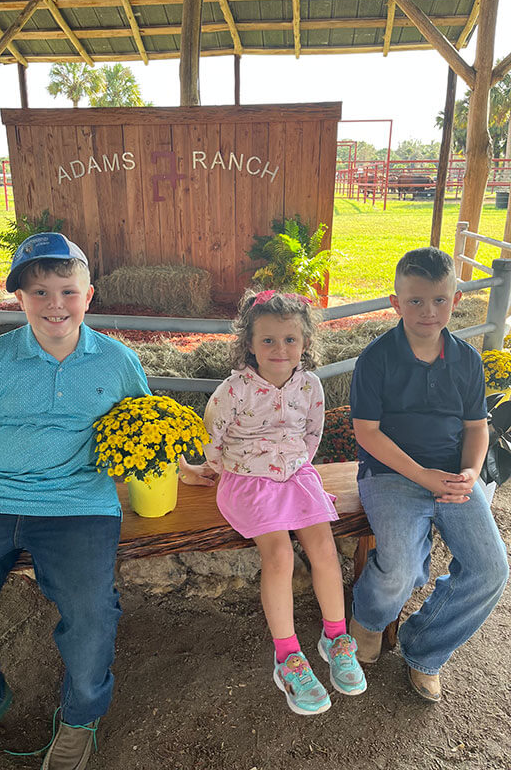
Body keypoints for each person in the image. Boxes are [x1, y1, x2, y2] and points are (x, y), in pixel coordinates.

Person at [0, 232, 151, 770]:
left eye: (67, 291)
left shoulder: (117, 361)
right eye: (39, 292)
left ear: (88, 296)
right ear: (19, 298)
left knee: (92, 612)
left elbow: (149, 426)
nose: (54, 304)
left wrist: (185, 467)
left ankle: (81, 715)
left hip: (80, 503)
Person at [180, 289, 367, 716]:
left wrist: (297, 468)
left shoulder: (310, 385)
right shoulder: (234, 390)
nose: (279, 349)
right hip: (248, 481)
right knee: (280, 555)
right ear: (249, 343)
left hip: (297, 477)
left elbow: (312, 435)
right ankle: (288, 658)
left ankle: (336, 638)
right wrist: (215, 469)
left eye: (290, 339)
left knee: (324, 549)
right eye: (268, 340)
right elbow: (212, 436)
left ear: (305, 343)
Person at [349, 247, 509, 702]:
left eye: (439, 300)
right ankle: (369, 620)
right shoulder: (376, 359)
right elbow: (367, 432)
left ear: (455, 300)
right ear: (395, 303)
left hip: (452, 475)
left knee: (491, 569)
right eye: (415, 300)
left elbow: (476, 428)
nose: (428, 311)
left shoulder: (467, 360)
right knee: (400, 566)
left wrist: (469, 473)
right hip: (391, 473)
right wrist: (423, 475)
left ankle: (425, 648)